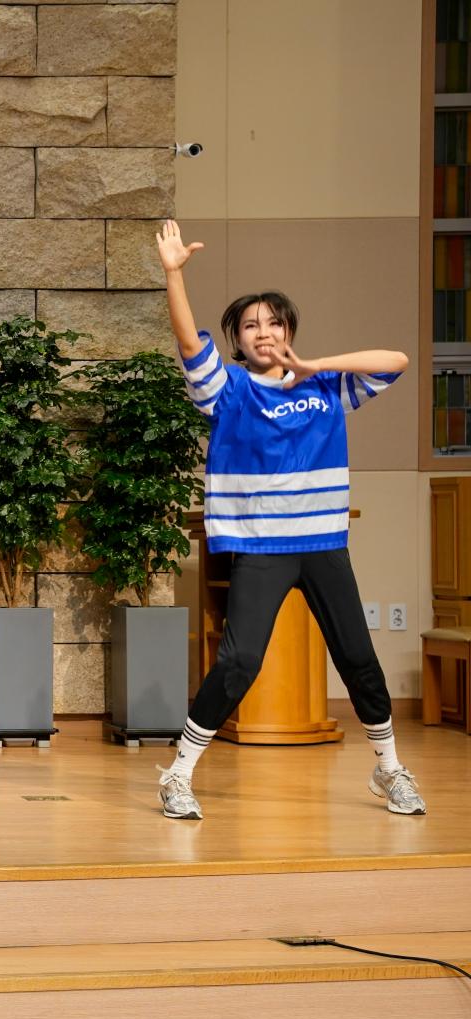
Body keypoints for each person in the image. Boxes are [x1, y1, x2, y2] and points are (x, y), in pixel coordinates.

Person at [154, 219, 420, 819]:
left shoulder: (327, 387)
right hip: (261, 548)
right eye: (251, 325)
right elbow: (189, 344)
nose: (264, 332)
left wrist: (315, 364)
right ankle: (178, 775)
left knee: (357, 657)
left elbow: (397, 360)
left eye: (274, 322)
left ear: (289, 331)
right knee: (240, 661)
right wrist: (174, 275)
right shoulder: (227, 390)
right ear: (238, 340)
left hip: (322, 543)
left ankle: (389, 769)